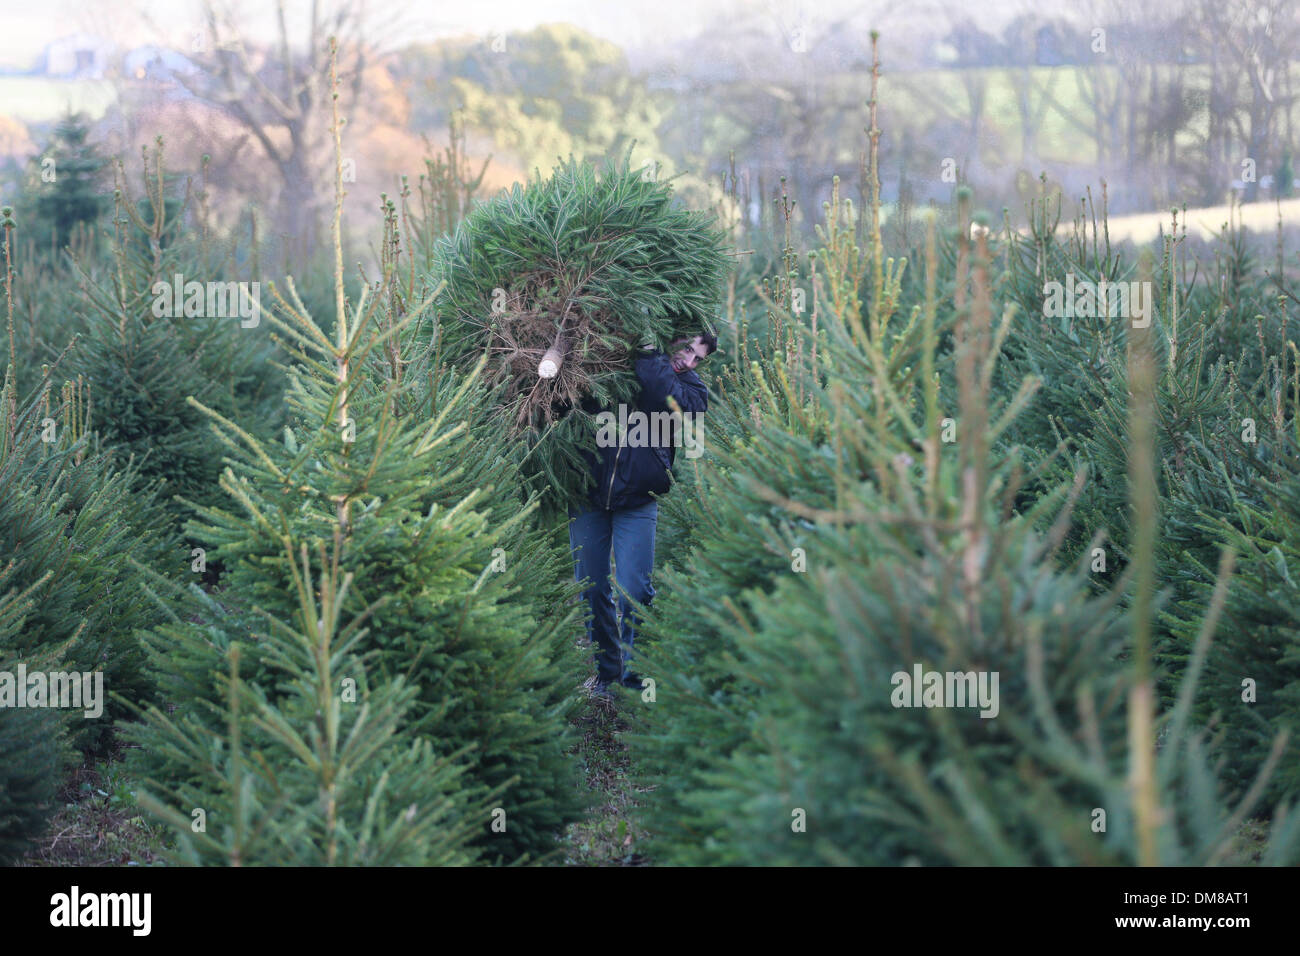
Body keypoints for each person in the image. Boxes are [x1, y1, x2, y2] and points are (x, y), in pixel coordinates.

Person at [569, 333, 716, 698]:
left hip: (639, 500)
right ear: (673, 335)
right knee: (591, 586)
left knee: (635, 589)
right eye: (687, 350)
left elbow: (674, 401)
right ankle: (607, 671)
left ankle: (635, 679)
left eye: (699, 359)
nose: (690, 363)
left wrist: (653, 356)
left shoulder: (686, 386)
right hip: (587, 495)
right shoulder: (611, 362)